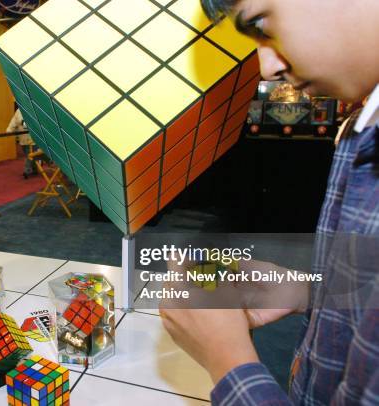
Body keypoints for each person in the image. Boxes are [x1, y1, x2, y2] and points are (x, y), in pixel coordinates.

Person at [159, 0, 379, 404]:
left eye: (261, 24)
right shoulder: (361, 128)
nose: (266, 68)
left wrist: (226, 361)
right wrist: (305, 290)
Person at [7, 107, 36, 178]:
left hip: (32, 138)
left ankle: (27, 171)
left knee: (29, 155)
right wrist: (9, 130)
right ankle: (35, 169)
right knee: (29, 154)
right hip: (23, 138)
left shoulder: (34, 108)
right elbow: (14, 121)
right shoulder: (19, 111)